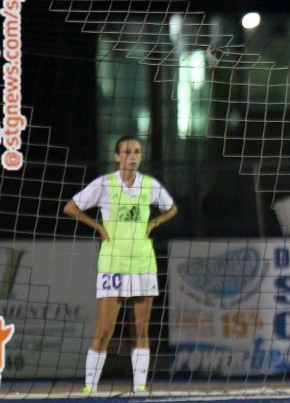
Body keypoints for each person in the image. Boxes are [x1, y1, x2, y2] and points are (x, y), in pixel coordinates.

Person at [63, 136, 178, 394]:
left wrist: (153, 224)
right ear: (117, 157)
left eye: (137, 151)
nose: (133, 156)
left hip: (142, 262)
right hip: (112, 263)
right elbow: (70, 207)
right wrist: (98, 227)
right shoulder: (104, 184)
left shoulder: (150, 185)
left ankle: (139, 387)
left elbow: (171, 209)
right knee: (104, 329)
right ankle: (89, 388)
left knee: (140, 329)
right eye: (127, 152)